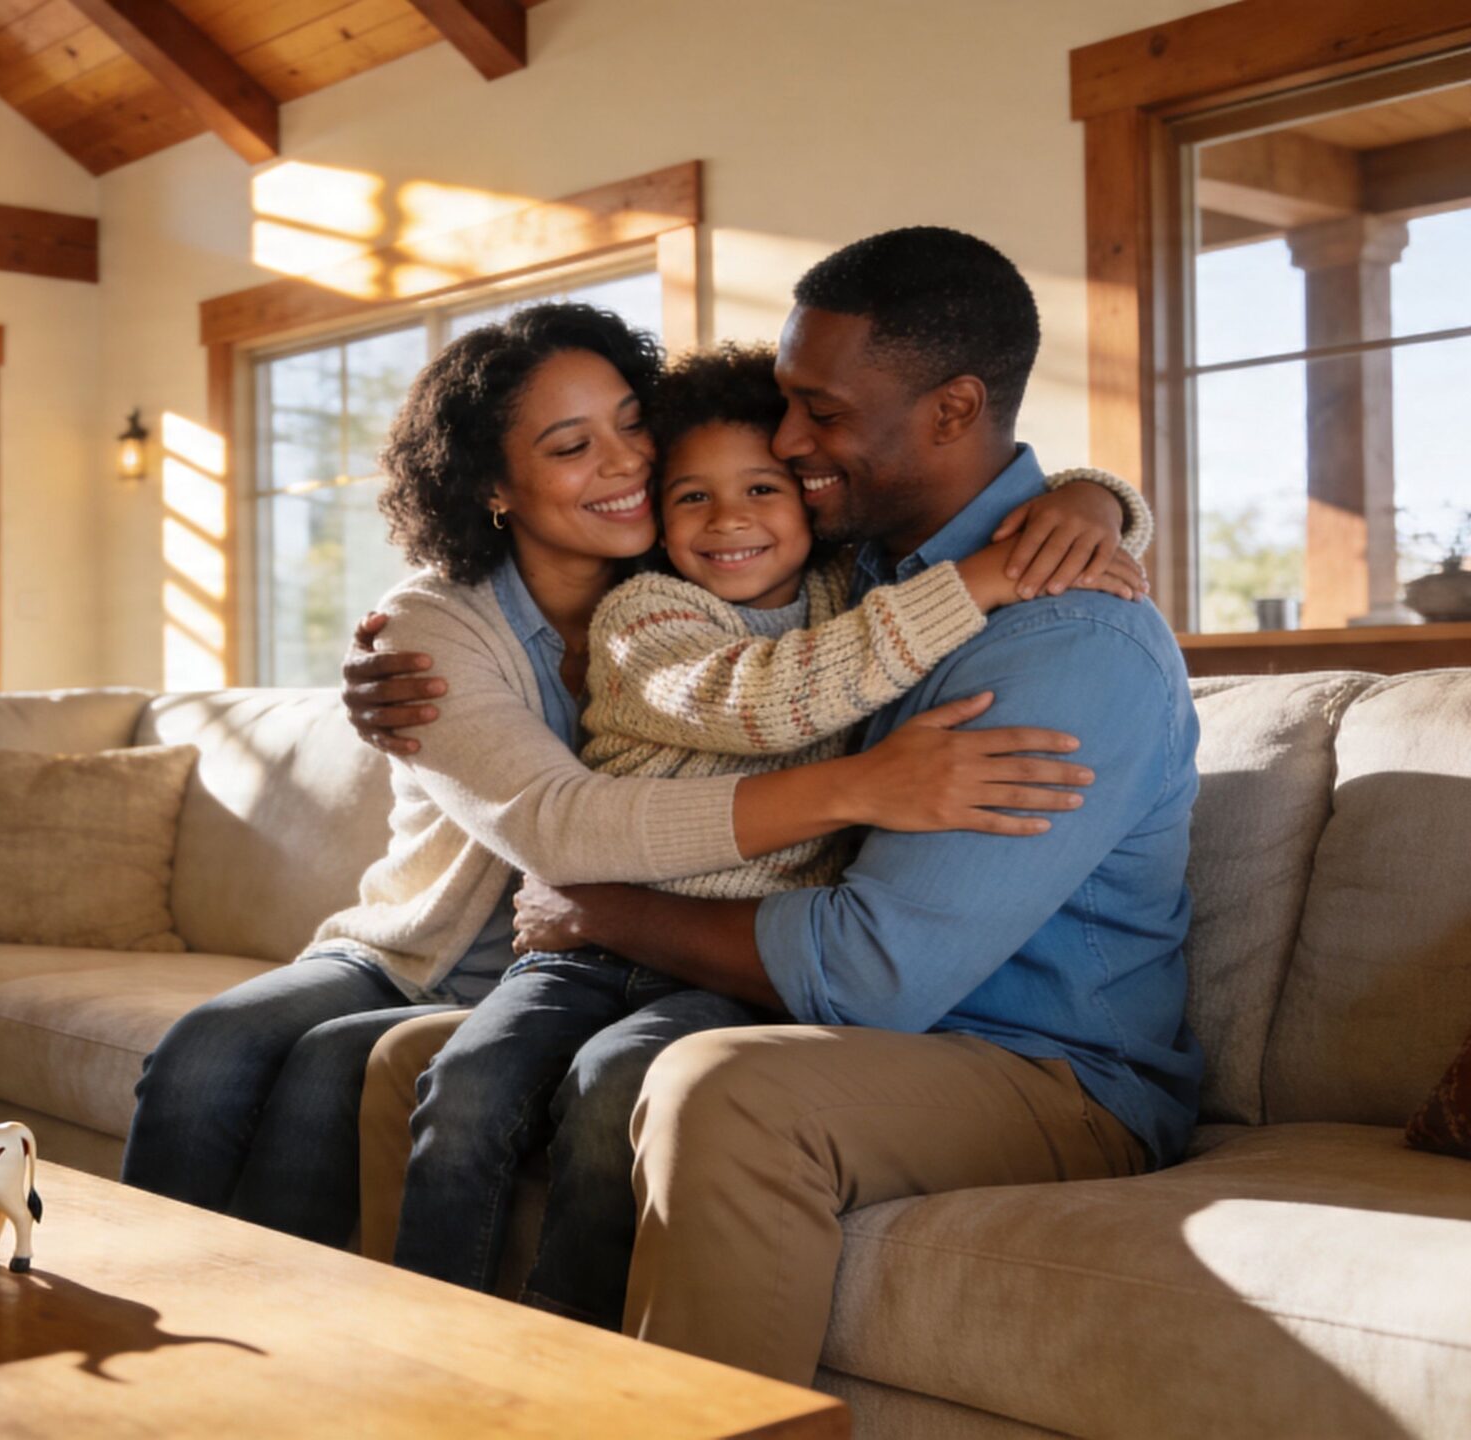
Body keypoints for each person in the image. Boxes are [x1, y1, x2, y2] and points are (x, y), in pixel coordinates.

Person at [347, 228, 1201, 1384]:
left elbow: (869, 973)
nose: (791, 446)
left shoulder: (1062, 631)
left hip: (1040, 1065)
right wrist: (1101, 494)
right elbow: (767, 669)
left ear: (951, 412)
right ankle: (411, 1385)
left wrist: (600, 910)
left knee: (719, 1092)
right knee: (416, 1060)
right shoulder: (863, 572)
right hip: (875, 1030)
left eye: (820, 415)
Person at [120, 301, 1131, 1253]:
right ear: (493, 486)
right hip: (434, 952)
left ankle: (329, 1346)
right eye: (570, 447)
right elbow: (564, 829)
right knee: (212, 1048)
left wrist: (1098, 501)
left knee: (342, 1068)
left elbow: (933, 514)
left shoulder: (707, 564)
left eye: (630, 424)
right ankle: (169, 1332)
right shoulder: (440, 625)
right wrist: (859, 785)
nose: (625, 464)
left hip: (605, 948)